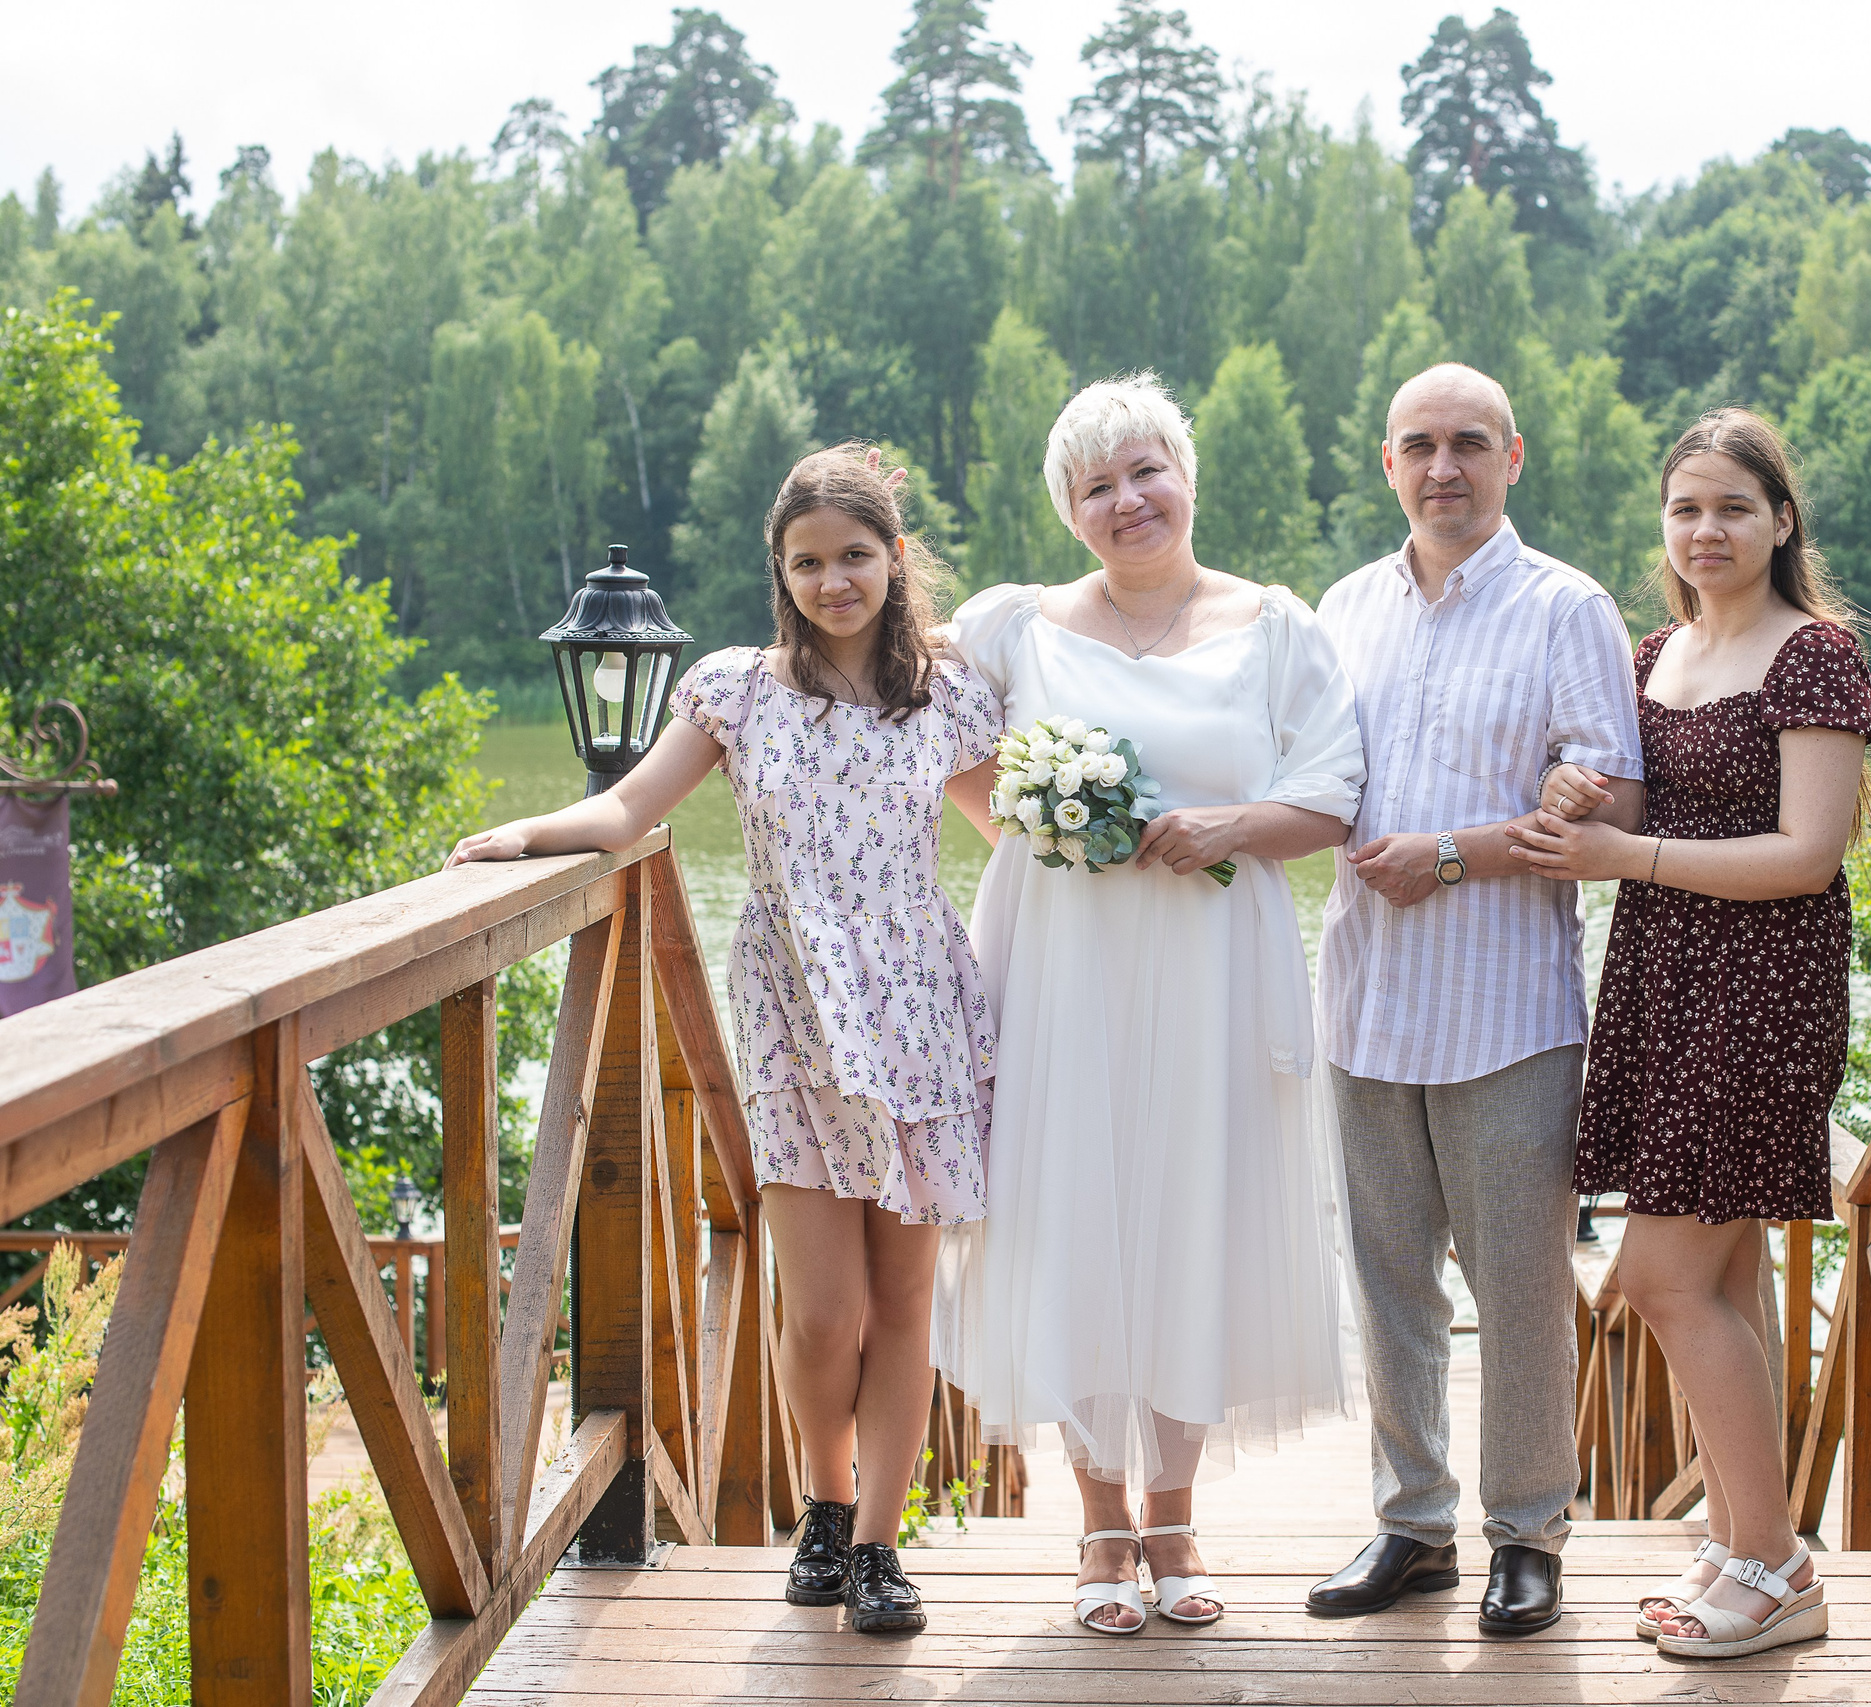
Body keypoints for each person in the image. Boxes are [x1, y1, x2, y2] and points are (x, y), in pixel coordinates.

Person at [447, 446, 998, 1632]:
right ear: (781, 573)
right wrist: (524, 836)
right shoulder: (737, 689)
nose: (833, 581)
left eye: (854, 556)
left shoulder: (945, 697)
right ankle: (825, 1506)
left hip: (918, 1013)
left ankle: (884, 1551)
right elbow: (628, 808)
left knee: (904, 1303)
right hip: (794, 1015)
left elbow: (1022, 834)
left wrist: (1129, 845)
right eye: (807, 563)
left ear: (894, 559)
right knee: (821, 1312)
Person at [932, 373, 1366, 1634]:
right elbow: (954, 753)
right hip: (1060, 963)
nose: (1126, 501)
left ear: (1185, 475)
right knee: (1068, 1213)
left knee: (1190, 1211)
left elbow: (1333, 794)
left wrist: (1226, 826)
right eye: (1095, 486)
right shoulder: (1012, 627)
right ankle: (1100, 1525)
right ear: (1069, 511)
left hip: (1212, 961)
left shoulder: (1273, 626)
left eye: (1144, 472)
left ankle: (1174, 1515)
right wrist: (1042, 836)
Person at [1506, 406, 1871, 1661]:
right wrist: (1588, 799)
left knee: (1658, 1278)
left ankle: (1774, 1568)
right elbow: (1649, 799)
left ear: (1781, 521)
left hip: (1761, 992)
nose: (1706, 530)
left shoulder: (1812, 653)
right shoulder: (1658, 649)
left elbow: (1807, 853)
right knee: (1715, 1277)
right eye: (1685, 509)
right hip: (1665, 981)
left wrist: (1627, 851)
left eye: (1731, 507)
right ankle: (1742, 1534)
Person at [1307, 362, 1645, 1637]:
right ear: (1386, 463)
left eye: (1466, 444)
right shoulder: (1342, 607)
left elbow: (1609, 800)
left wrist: (1451, 852)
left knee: (1516, 1284)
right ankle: (1410, 1525)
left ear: (1514, 455)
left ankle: (1526, 1529)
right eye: (1416, 445)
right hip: (1363, 1000)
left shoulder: (1568, 608)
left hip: (1506, 1004)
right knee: (1390, 1280)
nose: (1441, 467)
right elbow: (1302, 774)